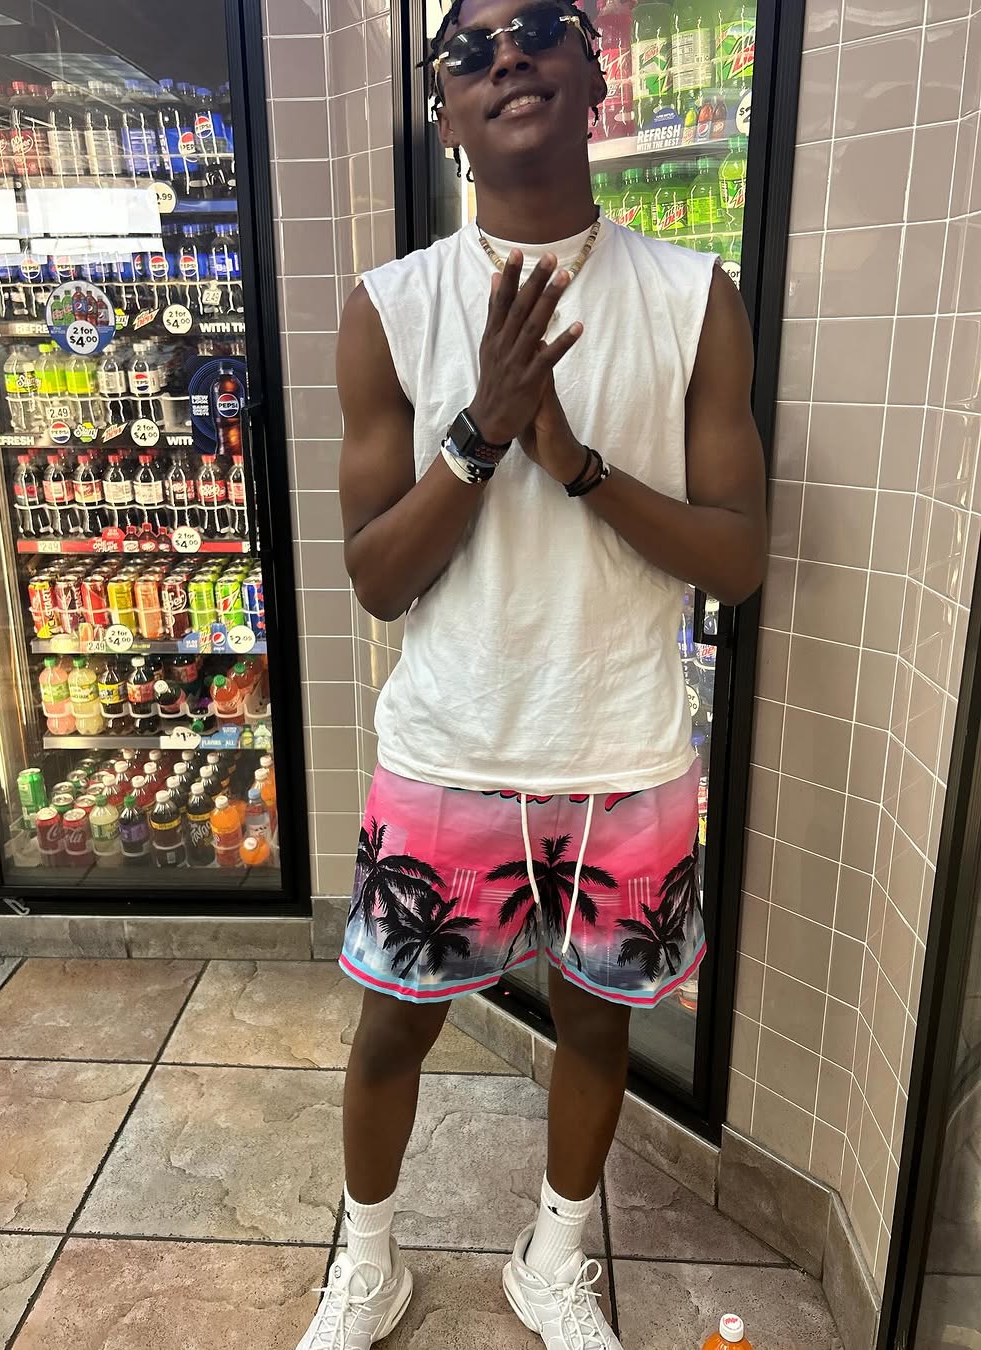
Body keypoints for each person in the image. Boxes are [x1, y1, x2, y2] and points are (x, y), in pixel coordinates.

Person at [296, 1, 767, 1346]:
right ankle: (366, 1262)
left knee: (597, 1025)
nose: (506, 54)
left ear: (592, 72)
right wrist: (485, 432)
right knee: (395, 1027)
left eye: (542, 27)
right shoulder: (390, 308)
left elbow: (736, 558)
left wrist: (579, 463)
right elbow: (377, 576)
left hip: (626, 752)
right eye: (468, 47)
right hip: (448, 744)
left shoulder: (693, 298)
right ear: (443, 112)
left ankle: (554, 1259)